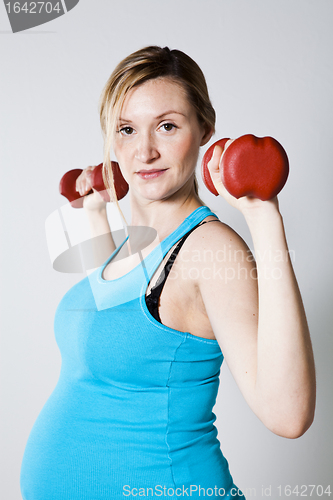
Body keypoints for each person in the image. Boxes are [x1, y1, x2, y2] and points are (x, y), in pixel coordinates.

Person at [20, 46, 316, 500]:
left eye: (167, 126)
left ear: (205, 132)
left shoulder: (207, 248)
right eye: (126, 129)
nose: (145, 151)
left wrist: (262, 217)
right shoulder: (131, 242)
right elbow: (112, 319)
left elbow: (288, 415)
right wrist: (95, 209)